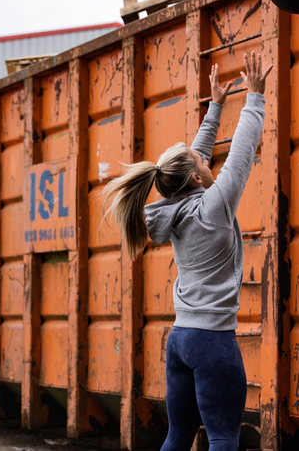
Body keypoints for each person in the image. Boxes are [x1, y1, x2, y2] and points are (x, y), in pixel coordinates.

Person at [102, 51, 272, 451]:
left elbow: (192, 159)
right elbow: (242, 155)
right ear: (197, 177)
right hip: (213, 341)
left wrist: (215, 106)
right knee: (223, 439)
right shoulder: (214, 208)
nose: (206, 156)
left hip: (180, 339)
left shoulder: (176, 207)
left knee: (177, 436)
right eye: (201, 161)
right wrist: (256, 97)